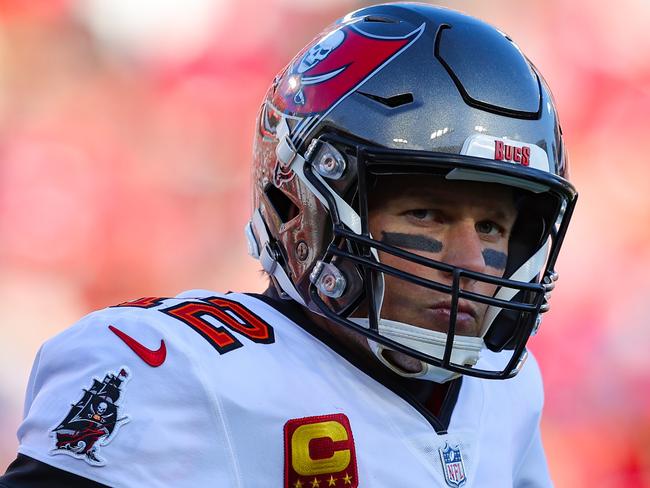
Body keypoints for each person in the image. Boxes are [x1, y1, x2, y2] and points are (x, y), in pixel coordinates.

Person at [1, 3, 577, 487]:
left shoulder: (506, 389)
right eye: (427, 215)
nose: (473, 263)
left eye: (492, 228)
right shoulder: (177, 368)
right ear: (301, 205)